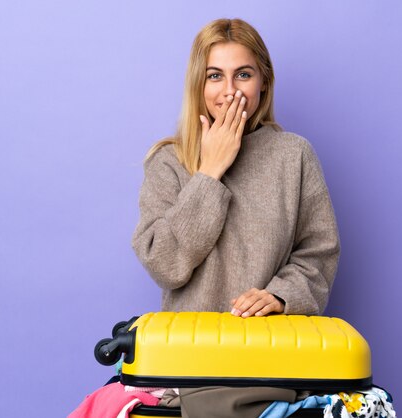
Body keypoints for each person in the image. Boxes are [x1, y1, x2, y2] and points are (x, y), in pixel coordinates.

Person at [132, 18, 340, 318]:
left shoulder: (295, 155)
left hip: (271, 351)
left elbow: (319, 253)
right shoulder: (167, 161)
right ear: (198, 83)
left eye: (243, 74)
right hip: (190, 354)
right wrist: (210, 172)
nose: (230, 91)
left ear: (263, 81)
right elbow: (165, 266)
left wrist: (281, 295)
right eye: (215, 76)